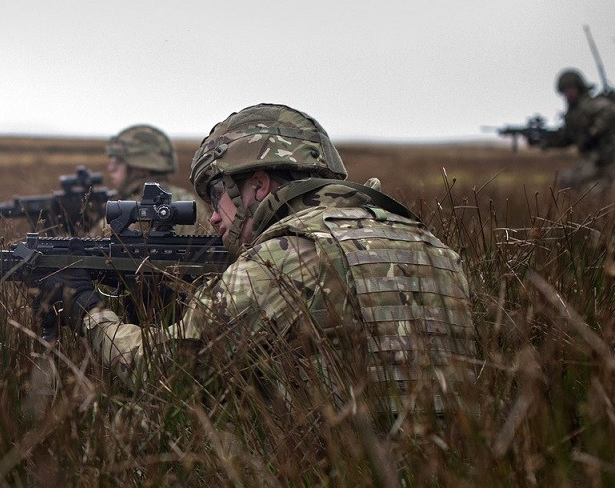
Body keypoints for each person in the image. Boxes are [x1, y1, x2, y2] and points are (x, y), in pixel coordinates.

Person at [40, 104, 478, 409]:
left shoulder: (289, 255)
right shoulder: (428, 242)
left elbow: (162, 375)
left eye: (216, 194)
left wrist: (90, 313)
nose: (213, 218)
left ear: (257, 186)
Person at [104, 124, 212, 235]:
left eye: (117, 162)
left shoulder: (133, 206)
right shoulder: (187, 200)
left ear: (140, 167)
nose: (111, 168)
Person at [540, 68, 615, 194]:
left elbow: (610, 111)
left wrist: (593, 132)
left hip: (611, 158)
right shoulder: (573, 113)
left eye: (571, 89)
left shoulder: (589, 105)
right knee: (565, 181)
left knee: (592, 191)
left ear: (579, 87)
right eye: (565, 90)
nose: (568, 93)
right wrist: (545, 140)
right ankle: (575, 212)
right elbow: (567, 138)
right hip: (592, 159)